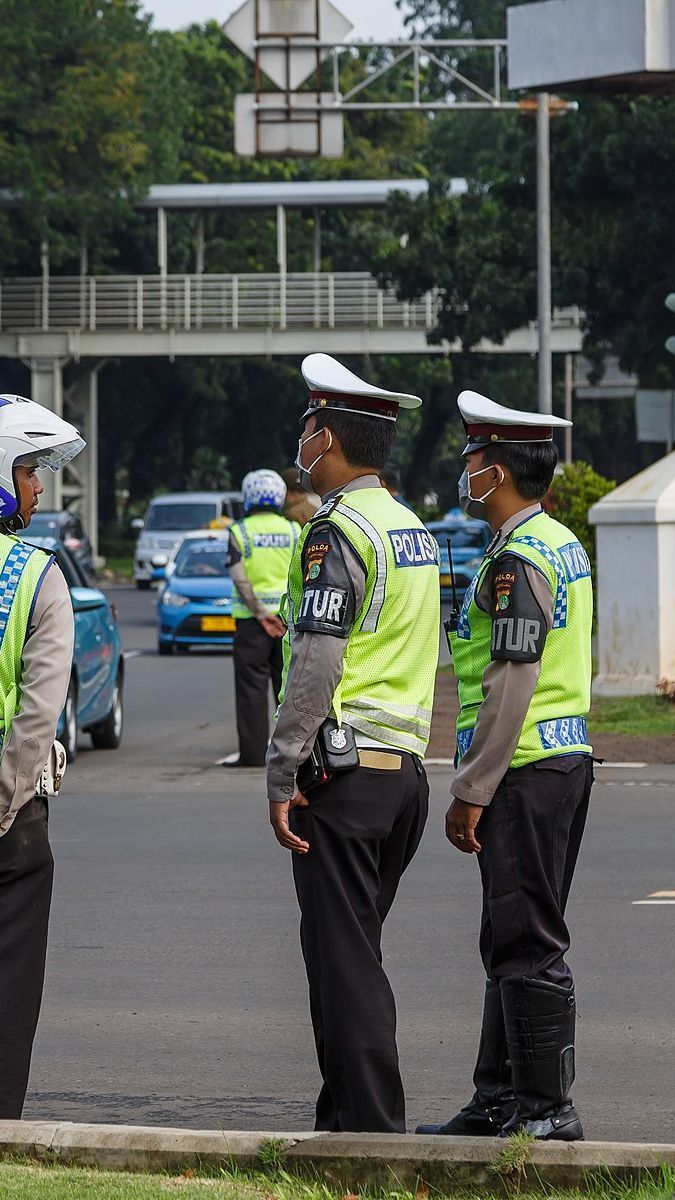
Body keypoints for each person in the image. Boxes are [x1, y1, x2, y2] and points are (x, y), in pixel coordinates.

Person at [267, 353, 440, 1133]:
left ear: (327, 435)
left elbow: (317, 656)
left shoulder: (336, 530)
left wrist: (279, 768)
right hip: (402, 774)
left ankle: (373, 1142)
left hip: (342, 777)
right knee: (348, 956)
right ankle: (341, 1122)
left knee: (345, 966)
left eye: (306, 426)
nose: (299, 440)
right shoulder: (413, 530)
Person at [416, 391, 593, 1144]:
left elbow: (511, 680)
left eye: (472, 461)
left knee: (526, 938)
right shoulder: (555, 540)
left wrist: (470, 790)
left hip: (524, 767)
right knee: (508, 933)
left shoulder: (519, 558)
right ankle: (499, 1099)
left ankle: (548, 1108)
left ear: (498, 471)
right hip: (557, 760)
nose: (465, 473)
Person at [0, 393, 85, 1118]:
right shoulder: (35, 575)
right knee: (8, 985)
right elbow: (36, 716)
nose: (38, 487)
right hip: (10, 818)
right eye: (30, 471)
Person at [224, 470, 300, 768]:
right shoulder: (295, 530)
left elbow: (240, 579)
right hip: (289, 622)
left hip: (252, 623)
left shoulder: (239, 532)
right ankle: (292, 755)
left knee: (251, 689)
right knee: (290, 688)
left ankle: (253, 754)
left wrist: (260, 614)